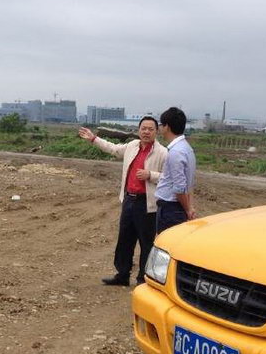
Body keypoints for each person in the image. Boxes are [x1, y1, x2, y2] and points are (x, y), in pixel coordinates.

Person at [78, 117, 168, 286]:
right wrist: (93, 139)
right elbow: (113, 148)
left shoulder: (163, 153)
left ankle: (143, 279)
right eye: (143, 128)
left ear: (156, 132)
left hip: (147, 203)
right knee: (125, 239)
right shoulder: (132, 146)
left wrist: (151, 175)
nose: (146, 132)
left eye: (150, 129)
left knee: (146, 242)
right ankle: (122, 274)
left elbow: (170, 178)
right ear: (139, 130)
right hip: (129, 200)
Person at [154, 107, 197, 233]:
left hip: (171, 209)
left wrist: (188, 209)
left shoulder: (176, 152)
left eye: (161, 125)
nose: (160, 128)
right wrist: (189, 206)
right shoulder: (186, 148)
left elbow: (179, 187)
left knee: (166, 242)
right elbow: (189, 184)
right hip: (176, 208)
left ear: (167, 127)